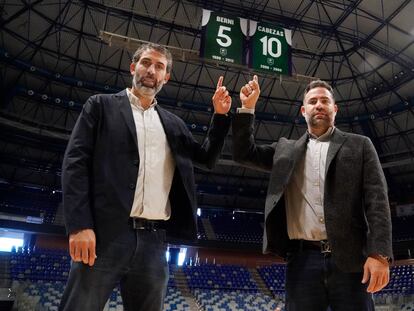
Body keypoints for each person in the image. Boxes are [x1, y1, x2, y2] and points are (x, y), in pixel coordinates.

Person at [59, 42, 232, 311]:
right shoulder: (101, 106)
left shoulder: (174, 124)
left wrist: (220, 117)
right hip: (105, 235)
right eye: (146, 63)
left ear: (166, 77)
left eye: (159, 66)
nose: (152, 70)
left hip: (154, 241)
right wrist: (80, 225)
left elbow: (207, 159)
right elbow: (75, 164)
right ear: (133, 67)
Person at [232, 76, 392, 310]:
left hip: (351, 260)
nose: (319, 105)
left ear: (334, 109)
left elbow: (377, 201)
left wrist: (379, 254)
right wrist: (247, 108)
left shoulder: (360, 145)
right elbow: (243, 154)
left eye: (325, 101)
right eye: (313, 101)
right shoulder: (285, 151)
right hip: (302, 260)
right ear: (303, 110)